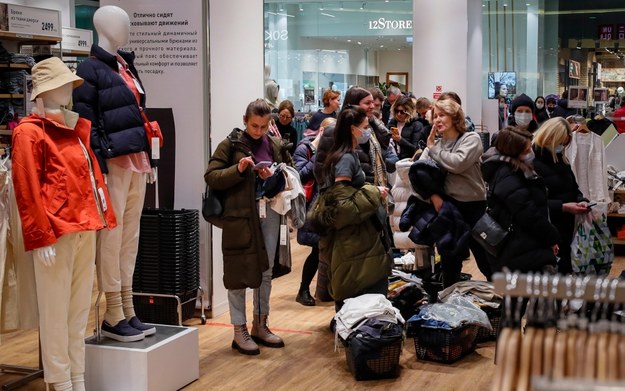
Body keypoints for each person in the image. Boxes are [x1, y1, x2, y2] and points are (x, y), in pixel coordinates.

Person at [12, 57, 116, 391]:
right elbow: (26, 187)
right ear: (43, 91)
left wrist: (104, 214)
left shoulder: (74, 128)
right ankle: (60, 381)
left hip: (84, 226)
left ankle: (77, 378)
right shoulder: (29, 133)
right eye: (59, 84)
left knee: (78, 311)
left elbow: (90, 176)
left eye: (67, 83)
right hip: (55, 234)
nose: (66, 89)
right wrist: (40, 236)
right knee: (55, 314)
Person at [73, 5, 156, 342]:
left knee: (129, 238)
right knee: (112, 237)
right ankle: (112, 312)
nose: (127, 26)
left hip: (135, 157)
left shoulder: (125, 65)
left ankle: (127, 307)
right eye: (120, 21)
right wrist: (99, 164)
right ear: (102, 26)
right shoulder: (89, 69)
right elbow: (84, 120)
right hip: (113, 162)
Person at [205, 99, 291, 355]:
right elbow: (211, 176)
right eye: (254, 125)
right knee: (238, 272)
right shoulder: (230, 145)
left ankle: (260, 324)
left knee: (265, 271)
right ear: (245, 120)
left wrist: (273, 176)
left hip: (269, 212)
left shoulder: (273, 143)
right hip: (240, 216)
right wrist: (239, 169)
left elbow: (287, 172)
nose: (259, 131)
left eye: (264, 126)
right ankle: (238, 330)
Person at [315, 106, 390, 310]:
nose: (368, 131)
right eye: (365, 127)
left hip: (356, 233)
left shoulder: (347, 154)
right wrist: (374, 192)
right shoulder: (346, 158)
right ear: (352, 129)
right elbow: (343, 204)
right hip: (351, 235)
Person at [419, 98, 491, 286]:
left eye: (442, 115)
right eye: (435, 116)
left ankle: (505, 303)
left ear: (455, 117)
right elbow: (419, 174)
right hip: (449, 208)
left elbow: (458, 163)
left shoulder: (471, 139)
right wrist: (434, 197)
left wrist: (432, 149)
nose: (437, 120)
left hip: (475, 208)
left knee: (487, 261)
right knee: (449, 261)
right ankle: (450, 306)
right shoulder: (437, 144)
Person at [481, 127, 560, 274]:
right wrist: (551, 236)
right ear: (513, 152)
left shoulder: (517, 169)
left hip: (522, 246)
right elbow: (528, 213)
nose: (531, 153)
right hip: (519, 249)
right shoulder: (509, 175)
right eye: (526, 150)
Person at [532, 117, 591, 275]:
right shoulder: (532, 164)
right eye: (560, 142)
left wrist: (581, 200)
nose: (562, 146)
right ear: (549, 137)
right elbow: (532, 203)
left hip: (566, 230)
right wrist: (563, 207)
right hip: (545, 232)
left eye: (564, 143)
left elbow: (574, 188)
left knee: (563, 274)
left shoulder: (561, 160)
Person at [293, 117, 335, 306]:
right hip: (312, 206)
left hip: (327, 205)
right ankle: (303, 290)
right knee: (316, 249)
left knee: (325, 249)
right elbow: (299, 175)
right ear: (321, 132)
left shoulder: (334, 150)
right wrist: (319, 155)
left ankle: (324, 290)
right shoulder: (304, 148)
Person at [388, 94, 427, 160]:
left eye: (402, 112)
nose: (399, 114)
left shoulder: (416, 125)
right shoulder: (393, 122)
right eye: (396, 111)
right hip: (393, 160)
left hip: (408, 161)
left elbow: (416, 149)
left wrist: (400, 140)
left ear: (409, 111)